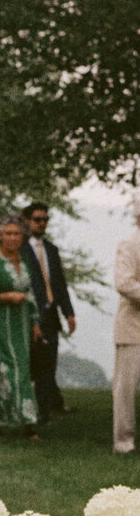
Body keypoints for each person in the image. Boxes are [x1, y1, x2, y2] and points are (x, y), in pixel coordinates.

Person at [0, 215, 41, 439]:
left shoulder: (23, 261)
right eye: (8, 233)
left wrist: (35, 321)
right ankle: (24, 421)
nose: (12, 238)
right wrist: (4, 296)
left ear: (23, 237)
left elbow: (30, 294)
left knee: (21, 369)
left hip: (21, 325)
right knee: (5, 370)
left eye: (17, 234)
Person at [22, 201, 76, 423]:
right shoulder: (21, 249)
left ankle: (43, 413)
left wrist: (69, 312)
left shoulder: (51, 250)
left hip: (51, 314)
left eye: (45, 220)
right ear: (27, 221)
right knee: (28, 363)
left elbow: (60, 283)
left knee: (48, 364)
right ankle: (22, 410)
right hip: (29, 315)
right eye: (37, 219)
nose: (42, 223)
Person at [113, 191, 140, 454]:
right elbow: (123, 282)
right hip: (133, 329)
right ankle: (123, 442)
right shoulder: (130, 245)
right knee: (125, 389)